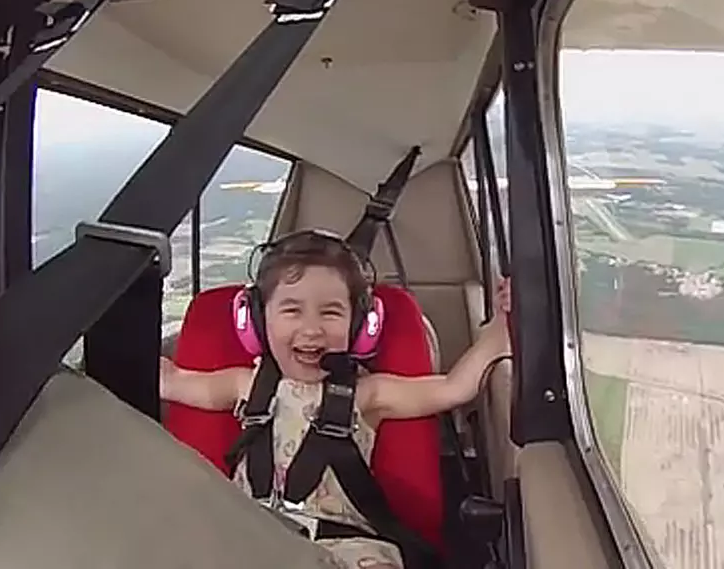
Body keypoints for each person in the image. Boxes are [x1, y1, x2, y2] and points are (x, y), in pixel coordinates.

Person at [159, 231, 512, 569]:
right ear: (255, 320)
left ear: (360, 325)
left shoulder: (371, 394)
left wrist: (502, 325)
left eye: (330, 313)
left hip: (347, 546)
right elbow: (172, 381)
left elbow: (455, 387)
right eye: (292, 311)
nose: (312, 329)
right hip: (251, 536)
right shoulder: (244, 385)